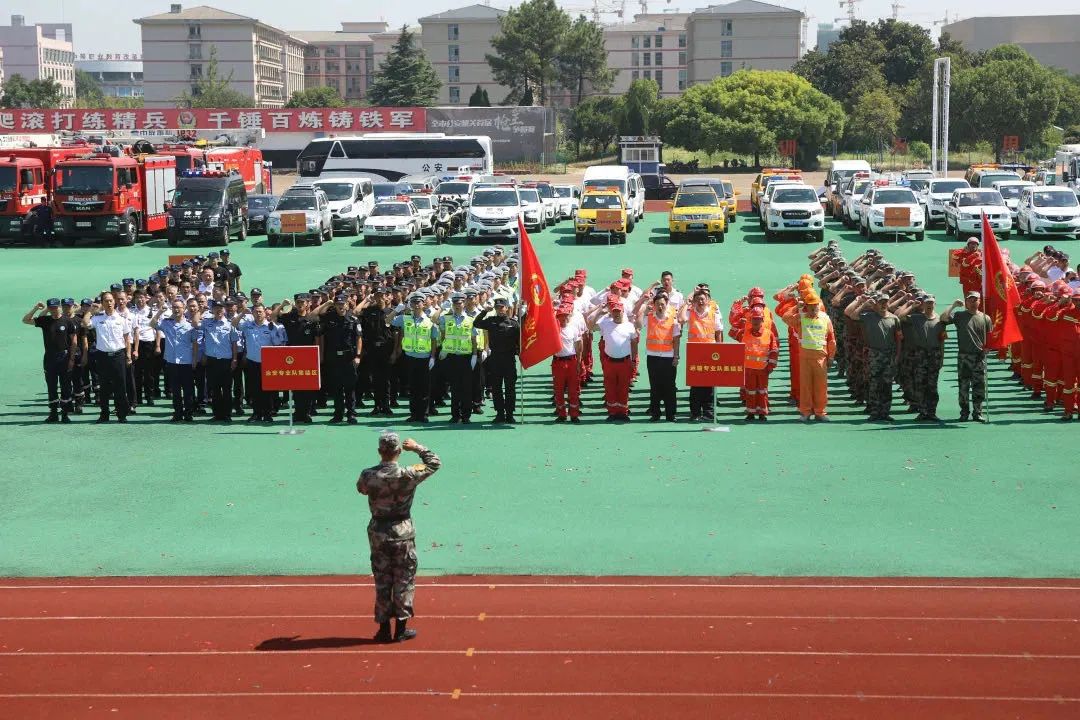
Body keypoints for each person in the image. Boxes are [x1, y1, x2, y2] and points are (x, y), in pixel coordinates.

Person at [357, 432, 441, 643]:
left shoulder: (368, 474)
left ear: (380, 451)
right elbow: (434, 463)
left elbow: (361, 489)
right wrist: (418, 447)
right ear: (399, 451)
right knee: (403, 579)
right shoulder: (408, 473)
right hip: (402, 531)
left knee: (382, 580)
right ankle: (401, 628)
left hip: (378, 531)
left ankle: (384, 629)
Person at [845, 291, 902, 422]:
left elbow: (898, 339)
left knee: (887, 384)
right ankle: (875, 411)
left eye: (885, 302)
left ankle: (885, 411)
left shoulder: (894, 319)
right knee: (874, 383)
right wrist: (864, 303)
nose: (883, 305)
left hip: (889, 354)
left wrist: (898, 356)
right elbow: (853, 315)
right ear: (875, 304)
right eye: (881, 302)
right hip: (873, 354)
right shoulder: (868, 316)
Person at [780, 292, 836, 421]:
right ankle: (805, 412)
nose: (813, 309)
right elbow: (785, 317)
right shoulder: (801, 318)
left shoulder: (825, 318)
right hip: (805, 357)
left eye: (815, 306)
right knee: (805, 386)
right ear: (806, 306)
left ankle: (820, 412)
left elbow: (831, 339)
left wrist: (831, 356)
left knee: (821, 387)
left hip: (821, 357)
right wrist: (795, 307)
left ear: (818, 305)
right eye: (810, 306)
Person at [23, 298, 78, 422]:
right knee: (51, 386)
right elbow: (25, 320)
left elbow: (74, 341)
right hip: (49, 358)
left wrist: (72, 358)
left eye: (55, 307)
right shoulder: (45, 321)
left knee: (65, 386)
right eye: (51, 308)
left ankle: (65, 413)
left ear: (59, 307)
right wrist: (36, 308)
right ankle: (53, 413)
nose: (54, 310)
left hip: (64, 357)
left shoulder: (67, 321)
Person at [941, 291, 994, 422]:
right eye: (970, 300)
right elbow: (943, 318)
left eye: (975, 300)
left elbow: (991, 337)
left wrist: (988, 347)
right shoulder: (959, 316)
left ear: (979, 301)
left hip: (979, 357)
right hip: (964, 356)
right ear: (966, 301)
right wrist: (953, 305)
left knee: (979, 386)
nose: (973, 302)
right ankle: (964, 412)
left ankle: (978, 412)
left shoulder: (985, 318)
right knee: (963, 386)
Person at [82, 292, 132, 423]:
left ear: (114, 302)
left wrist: (128, 355)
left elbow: (127, 338)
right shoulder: (97, 318)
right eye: (106, 301)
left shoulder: (121, 319)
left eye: (111, 301)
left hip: (118, 355)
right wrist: (90, 311)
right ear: (102, 304)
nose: (109, 303)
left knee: (120, 386)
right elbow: (85, 324)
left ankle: (121, 414)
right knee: (104, 387)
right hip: (103, 357)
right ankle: (104, 414)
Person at [391, 294, 441, 423]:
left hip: (425, 358)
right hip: (410, 357)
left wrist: (433, 357)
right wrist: (397, 310)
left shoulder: (430, 321)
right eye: (414, 302)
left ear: (423, 304)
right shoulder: (404, 318)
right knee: (412, 388)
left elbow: (434, 340)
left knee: (424, 387)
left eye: (419, 302)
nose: (417, 305)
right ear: (411, 305)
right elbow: (387, 321)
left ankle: (423, 414)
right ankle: (414, 414)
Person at [897, 294, 947, 422]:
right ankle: (922, 411)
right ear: (923, 305)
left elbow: (942, 340)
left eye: (931, 303)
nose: (929, 305)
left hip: (934, 355)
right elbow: (900, 317)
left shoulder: (939, 320)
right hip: (920, 354)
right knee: (920, 384)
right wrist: (911, 306)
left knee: (932, 386)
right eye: (927, 303)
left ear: (934, 305)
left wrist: (942, 357)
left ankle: (931, 412)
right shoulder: (916, 318)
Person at [587, 297, 637, 421]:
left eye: (618, 311)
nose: (616, 314)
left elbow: (634, 343)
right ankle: (613, 412)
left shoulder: (629, 326)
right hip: (610, 361)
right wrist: (599, 311)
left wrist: (634, 359)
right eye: (614, 311)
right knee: (610, 387)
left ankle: (623, 412)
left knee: (623, 387)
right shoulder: (605, 323)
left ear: (623, 311)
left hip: (625, 362)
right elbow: (590, 325)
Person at [634, 288, 680, 422]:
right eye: (658, 304)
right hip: (653, 356)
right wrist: (644, 306)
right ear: (654, 305)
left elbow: (676, 340)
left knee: (670, 386)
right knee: (655, 386)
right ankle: (655, 413)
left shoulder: (673, 318)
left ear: (667, 304)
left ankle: (671, 414)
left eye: (663, 304)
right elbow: (637, 322)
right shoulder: (649, 318)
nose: (660, 306)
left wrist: (676, 356)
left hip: (668, 357)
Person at [473, 296, 520, 423]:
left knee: (510, 388)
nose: (500, 310)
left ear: (507, 308)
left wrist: (521, 354)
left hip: (509, 359)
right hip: (495, 359)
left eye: (502, 307)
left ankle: (509, 414)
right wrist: (484, 311)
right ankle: (500, 413)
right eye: (497, 308)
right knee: (496, 388)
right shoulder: (491, 321)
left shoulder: (514, 324)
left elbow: (519, 343)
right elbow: (476, 323)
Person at [151, 299, 199, 422]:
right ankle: (178, 413)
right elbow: (152, 324)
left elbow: (194, 343)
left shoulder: (190, 325)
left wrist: (194, 359)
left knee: (188, 390)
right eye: (174, 307)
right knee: (175, 390)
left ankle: (188, 413)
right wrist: (159, 312)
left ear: (184, 309)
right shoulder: (167, 323)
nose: (176, 310)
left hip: (186, 361)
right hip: (171, 361)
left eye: (179, 307)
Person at [680, 287, 723, 421]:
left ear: (708, 300)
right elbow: (681, 319)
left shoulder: (713, 313)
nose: (700, 302)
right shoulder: (690, 312)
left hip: (710, 353)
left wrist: (720, 351)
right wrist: (688, 301)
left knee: (709, 385)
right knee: (695, 385)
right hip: (695, 353)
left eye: (703, 299)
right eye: (697, 299)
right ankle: (695, 413)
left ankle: (709, 414)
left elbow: (718, 332)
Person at [319, 294, 363, 424]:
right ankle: (338, 414)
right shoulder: (329, 318)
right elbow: (317, 314)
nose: (340, 306)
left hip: (349, 357)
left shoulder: (353, 319)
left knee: (350, 388)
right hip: (333, 358)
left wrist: (358, 356)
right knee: (336, 388)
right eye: (338, 304)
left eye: (342, 304)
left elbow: (359, 338)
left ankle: (351, 414)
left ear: (347, 305)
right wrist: (328, 303)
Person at [233, 303, 280, 423]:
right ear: (252, 313)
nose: (258, 314)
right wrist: (243, 312)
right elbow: (234, 324)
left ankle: (268, 414)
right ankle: (257, 413)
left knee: (268, 390)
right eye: (256, 312)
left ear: (265, 312)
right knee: (254, 390)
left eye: (260, 311)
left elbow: (277, 343)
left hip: (268, 362)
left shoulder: (270, 326)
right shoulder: (247, 325)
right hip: (252, 362)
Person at [733, 305, 779, 421]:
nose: (756, 321)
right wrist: (739, 312)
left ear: (762, 320)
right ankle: (751, 413)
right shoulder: (744, 333)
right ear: (750, 320)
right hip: (748, 369)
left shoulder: (769, 334)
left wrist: (771, 366)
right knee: (750, 391)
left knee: (762, 391)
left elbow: (774, 350)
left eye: (758, 319)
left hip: (763, 368)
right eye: (753, 319)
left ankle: (762, 413)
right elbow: (732, 332)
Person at [438, 292, 478, 424]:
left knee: (466, 387)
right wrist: (443, 349)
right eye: (455, 303)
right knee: (455, 387)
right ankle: (455, 415)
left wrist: (474, 355)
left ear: (464, 303)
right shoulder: (446, 318)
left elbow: (473, 339)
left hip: (466, 357)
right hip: (452, 357)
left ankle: (466, 415)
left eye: (460, 303)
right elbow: (441, 331)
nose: (457, 306)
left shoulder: (471, 319)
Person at [198, 299, 239, 422]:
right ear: (212, 310)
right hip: (212, 360)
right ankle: (217, 414)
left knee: (226, 389)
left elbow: (234, 343)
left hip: (226, 360)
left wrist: (235, 359)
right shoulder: (206, 323)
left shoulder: (230, 324)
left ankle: (227, 414)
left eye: (221, 308)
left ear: (225, 310)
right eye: (216, 308)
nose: (219, 311)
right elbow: (195, 323)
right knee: (214, 389)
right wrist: (201, 310)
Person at [552, 304, 583, 423]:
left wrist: (579, 362)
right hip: (558, 362)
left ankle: (574, 414)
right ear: (557, 317)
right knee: (558, 390)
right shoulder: (553, 330)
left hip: (572, 361)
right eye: (561, 316)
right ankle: (561, 414)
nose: (563, 318)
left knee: (573, 390)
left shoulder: (573, 329)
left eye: (565, 316)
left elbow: (578, 346)